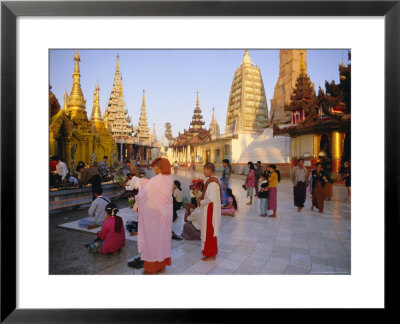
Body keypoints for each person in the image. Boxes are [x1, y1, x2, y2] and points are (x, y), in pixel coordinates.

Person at [136, 157, 173, 274]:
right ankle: (162, 265)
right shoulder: (169, 180)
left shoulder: (155, 180)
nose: (154, 169)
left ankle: (151, 268)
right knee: (163, 240)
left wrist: (141, 185)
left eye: (155, 166)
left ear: (159, 167)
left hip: (154, 217)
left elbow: (142, 196)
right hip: (165, 215)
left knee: (152, 240)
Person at [199, 163, 221, 261]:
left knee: (209, 231)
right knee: (208, 231)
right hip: (209, 209)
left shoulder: (212, 183)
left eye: (204, 170)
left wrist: (201, 201)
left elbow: (210, 199)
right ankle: (208, 252)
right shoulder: (213, 180)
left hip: (210, 211)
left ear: (208, 170)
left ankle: (211, 254)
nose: (204, 172)